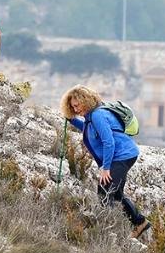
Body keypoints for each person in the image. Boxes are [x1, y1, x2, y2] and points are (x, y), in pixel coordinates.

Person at [60, 85, 151, 239]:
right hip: (123, 155)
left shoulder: (97, 115)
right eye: (72, 107)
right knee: (116, 194)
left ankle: (106, 232)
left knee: (104, 190)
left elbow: (109, 142)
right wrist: (72, 120)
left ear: (86, 101)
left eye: (77, 105)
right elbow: (90, 131)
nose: (75, 109)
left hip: (122, 156)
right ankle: (140, 222)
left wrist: (106, 168)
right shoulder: (91, 117)